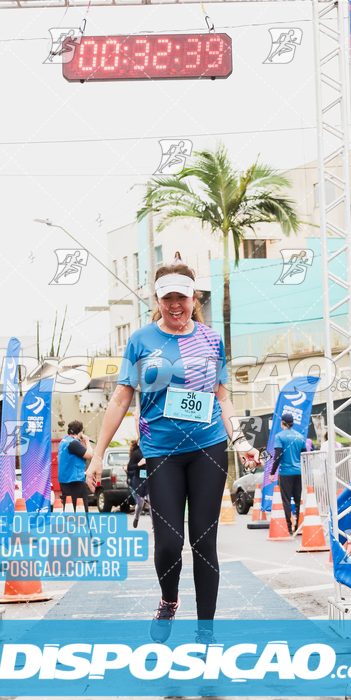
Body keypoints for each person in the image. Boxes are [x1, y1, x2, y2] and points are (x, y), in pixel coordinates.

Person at [86, 263, 259, 644]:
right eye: (168, 298)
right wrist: (98, 454)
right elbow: (120, 399)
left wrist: (242, 442)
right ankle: (169, 600)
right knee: (167, 543)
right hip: (161, 450)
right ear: (158, 300)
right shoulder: (141, 341)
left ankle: (205, 631)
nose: (176, 305)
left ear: (193, 298)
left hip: (207, 447)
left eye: (182, 297)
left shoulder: (212, 340)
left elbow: (223, 397)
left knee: (203, 541)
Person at [269, 413, 307, 534]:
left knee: (285, 499)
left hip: (285, 472)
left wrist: (272, 472)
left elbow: (278, 455)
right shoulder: (300, 437)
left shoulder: (279, 436)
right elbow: (304, 455)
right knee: (298, 499)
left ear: (282, 422)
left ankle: (288, 527)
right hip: (299, 472)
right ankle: (298, 526)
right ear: (292, 423)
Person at [58, 420, 93, 511]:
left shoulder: (63, 441)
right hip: (75, 480)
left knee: (69, 507)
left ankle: (71, 525)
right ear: (80, 432)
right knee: (80, 507)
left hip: (65, 480)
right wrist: (87, 441)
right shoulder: (73, 443)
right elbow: (89, 454)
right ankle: (83, 524)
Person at [126, 438, 150, 529]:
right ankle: (136, 517)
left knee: (150, 501)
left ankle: (154, 525)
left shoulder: (150, 452)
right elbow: (130, 467)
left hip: (148, 480)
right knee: (140, 503)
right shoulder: (136, 453)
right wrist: (139, 464)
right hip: (139, 480)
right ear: (138, 443)